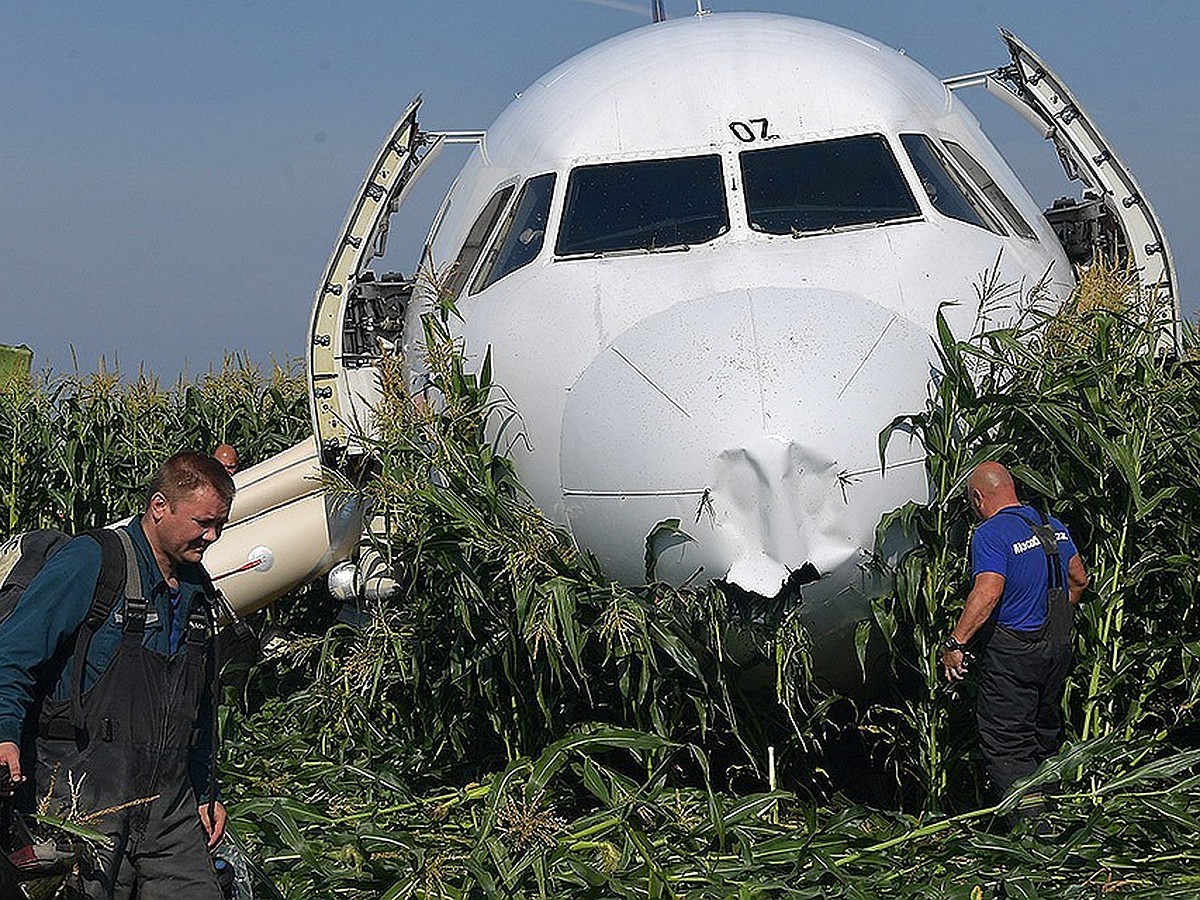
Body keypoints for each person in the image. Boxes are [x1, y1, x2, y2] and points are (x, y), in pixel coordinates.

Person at [0, 451, 234, 898]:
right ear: (159, 506)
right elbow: (12, 652)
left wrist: (205, 789)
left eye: (219, 523)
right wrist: (4, 733)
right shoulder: (93, 562)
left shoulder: (196, 591)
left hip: (170, 807)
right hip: (81, 798)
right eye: (203, 522)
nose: (213, 536)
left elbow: (199, 706)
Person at [941, 461, 1088, 810]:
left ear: (978, 498)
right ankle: (1055, 815)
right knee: (1044, 735)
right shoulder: (1052, 526)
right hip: (1057, 649)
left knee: (1009, 745)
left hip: (1014, 653)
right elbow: (1079, 580)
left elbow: (988, 592)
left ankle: (1034, 833)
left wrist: (956, 643)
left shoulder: (991, 533)